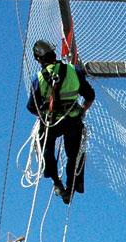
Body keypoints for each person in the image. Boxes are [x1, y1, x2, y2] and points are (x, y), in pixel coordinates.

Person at [27, 40, 95, 204]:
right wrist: (82, 110)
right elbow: (90, 95)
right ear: (54, 54)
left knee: (46, 150)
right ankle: (71, 186)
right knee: (73, 155)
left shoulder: (39, 78)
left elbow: (31, 107)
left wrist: (44, 113)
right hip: (72, 120)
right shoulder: (74, 71)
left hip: (51, 123)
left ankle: (57, 182)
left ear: (39, 59)